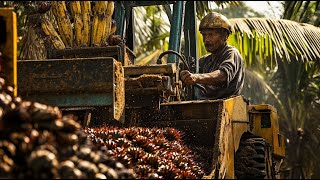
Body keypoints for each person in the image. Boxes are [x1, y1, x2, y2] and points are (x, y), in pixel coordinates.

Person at [180, 12, 245, 100]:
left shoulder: (231, 53)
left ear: (225, 36)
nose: (206, 40)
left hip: (228, 106)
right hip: (207, 105)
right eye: (204, 35)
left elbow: (222, 76)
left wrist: (196, 77)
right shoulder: (205, 61)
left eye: (211, 35)